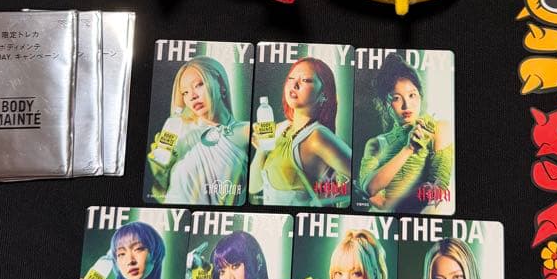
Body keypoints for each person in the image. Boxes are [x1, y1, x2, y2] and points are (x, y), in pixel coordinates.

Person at [358, 52, 453, 213]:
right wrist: (408, 149)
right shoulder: (375, 144)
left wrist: (388, 203)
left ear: (420, 96)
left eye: (412, 95)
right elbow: (369, 189)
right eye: (396, 98)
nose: (407, 105)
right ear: (385, 104)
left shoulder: (438, 129)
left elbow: (437, 191)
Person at [250, 57, 352, 206]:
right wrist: (261, 149)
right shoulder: (280, 128)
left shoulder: (317, 136)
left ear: (324, 93)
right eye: (291, 78)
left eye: (305, 80)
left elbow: (361, 182)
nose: (294, 84)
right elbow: (254, 187)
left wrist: (323, 197)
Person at [148, 57, 249, 206]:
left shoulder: (245, 131)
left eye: (199, 85)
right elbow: (161, 194)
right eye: (185, 92)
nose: (192, 96)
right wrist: (159, 174)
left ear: (221, 85)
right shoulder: (178, 129)